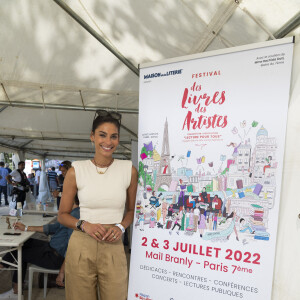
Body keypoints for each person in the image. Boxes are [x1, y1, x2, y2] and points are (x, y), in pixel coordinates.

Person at [58, 109, 138, 300]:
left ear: (118, 139)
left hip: (113, 244)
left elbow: (131, 210)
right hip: (81, 245)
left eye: (114, 136)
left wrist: (121, 226)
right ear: (92, 137)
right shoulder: (76, 170)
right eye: (102, 135)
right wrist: (84, 225)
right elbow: (62, 215)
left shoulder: (129, 170)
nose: (108, 142)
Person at [0, 195, 79, 297]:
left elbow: (71, 247)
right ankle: (5, 270)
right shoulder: (70, 213)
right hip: (51, 247)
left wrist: (62, 272)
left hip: (55, 257)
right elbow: (53, 227)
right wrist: (26, 228)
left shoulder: (76, 215)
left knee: (20, 253)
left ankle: (15, 291)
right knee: (24, 243)